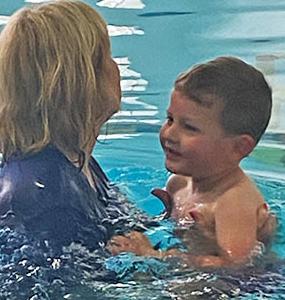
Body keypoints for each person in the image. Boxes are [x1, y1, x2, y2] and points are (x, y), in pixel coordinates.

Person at [0, 0, 132, 250]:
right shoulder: (52, 196)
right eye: (107, 56)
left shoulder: (77, 165)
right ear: (82, 82)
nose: (116, 68)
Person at [109, 56, 275, 267]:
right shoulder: (177, 183)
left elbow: (237, 267)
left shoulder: (232, 202)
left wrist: (153, 255)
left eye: (190, 128)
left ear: (238, 147)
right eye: (170, 119)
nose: (170, 134)